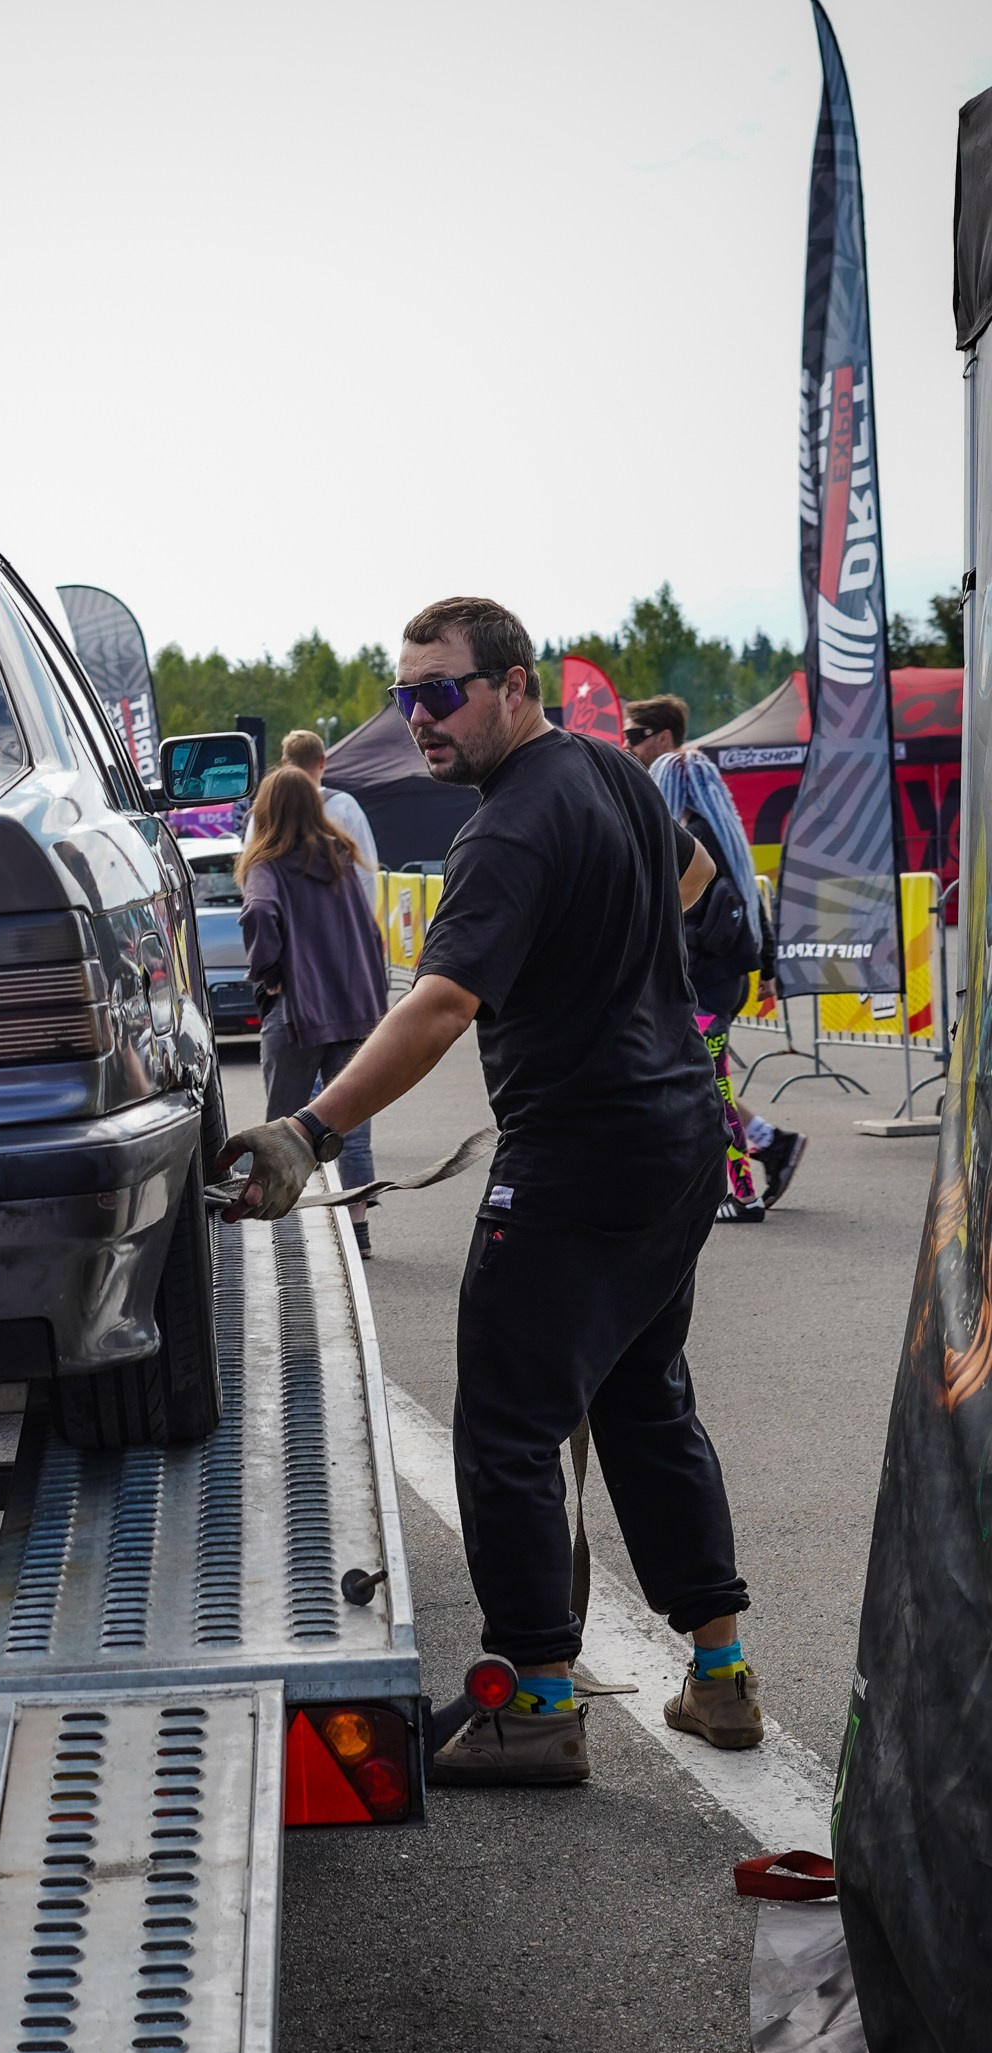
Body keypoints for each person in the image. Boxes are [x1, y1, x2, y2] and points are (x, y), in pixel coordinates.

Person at [215, 596, 765, 1786]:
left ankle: (532, 1701)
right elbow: (696, 880)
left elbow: (441, 1003)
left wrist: (309, 1128)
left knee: (508, 1424)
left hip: (580, 1153)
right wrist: (614, 984)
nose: (418, 717)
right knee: (640, 1399)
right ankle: (720, 1677)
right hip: (674, 1129)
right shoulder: (615, 776)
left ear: (514, 687)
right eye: (403, 694)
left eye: (440, 692)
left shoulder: (506, 829)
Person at [624, 695, 803, 1218]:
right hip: (717, 980)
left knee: (710, 1082)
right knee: (702, 1079)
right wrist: (765, 968)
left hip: (704, 980)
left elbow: (696, 917)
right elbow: (751, 903)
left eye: (636, 737)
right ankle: (771, 1144)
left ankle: (741, 1190)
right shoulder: (722, 835)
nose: (629, 746)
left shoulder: (690, 838)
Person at [236, 765, 389, 1256]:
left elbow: (259, 913)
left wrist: (267, 969)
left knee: (282, 1129)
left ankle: (281, 1232)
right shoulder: (341, 856)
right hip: (353, 1009)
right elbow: (368, 930)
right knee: (352, 1128)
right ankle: (359, 1233)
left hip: (298, 1011)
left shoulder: (268, 864)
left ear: (266, 811)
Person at [281, 727, 380, 878]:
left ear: (285, 763)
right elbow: (366, 870)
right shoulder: (345, 806)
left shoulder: (266, 811)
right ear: (322, 761)